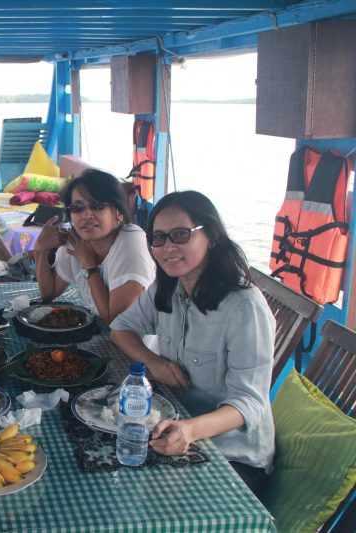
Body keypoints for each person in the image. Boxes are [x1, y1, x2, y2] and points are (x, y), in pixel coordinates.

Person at [109, 190, 275, 497]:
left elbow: (249, 403)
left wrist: (190, 431)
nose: (168, 247)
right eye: (159, 238)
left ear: (211, 236)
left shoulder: (244, 307)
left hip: (232, 456)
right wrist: (154, 363)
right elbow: (121, 329)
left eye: (181, 235)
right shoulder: (168, 287)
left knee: (138, 498)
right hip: (173, 425)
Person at [33, 168, 155, 325]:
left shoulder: (131, 240)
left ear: (118, 212)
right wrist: (40, 250)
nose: (87, 215)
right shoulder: (77, 241)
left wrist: (89, 266)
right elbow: (49, 293)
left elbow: (116, 321)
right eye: (78, 208)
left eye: (98, 206)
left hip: (136, 338)